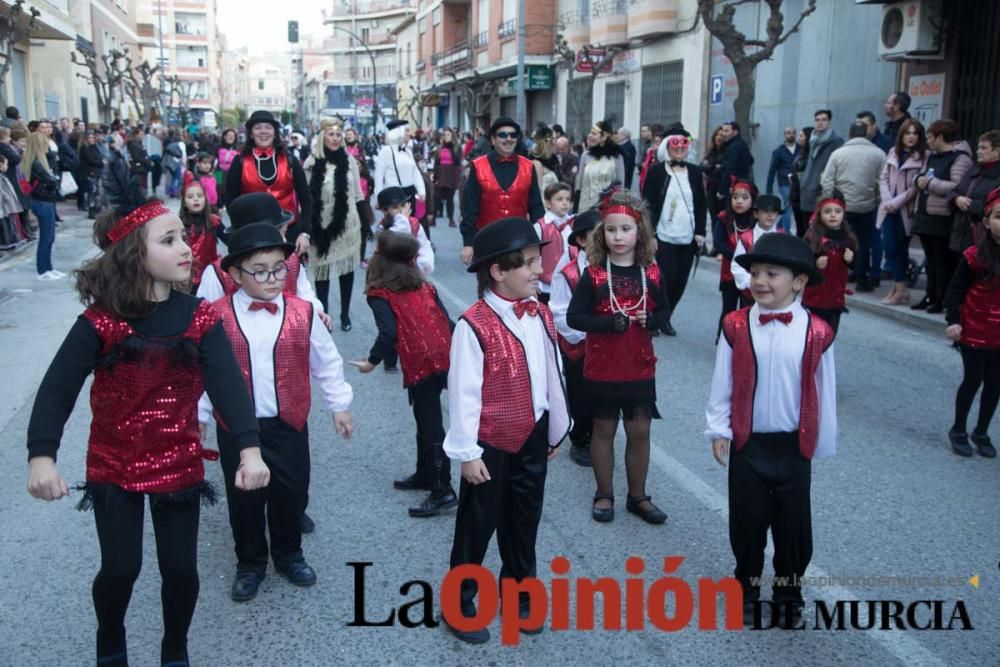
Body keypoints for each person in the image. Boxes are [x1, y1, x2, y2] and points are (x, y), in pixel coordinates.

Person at [26, 163, 268, 665]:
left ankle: (174, 649)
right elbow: (56, 390)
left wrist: (248, 450)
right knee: (121, 569)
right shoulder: (101, 322)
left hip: (177, 463)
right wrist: (41, 457)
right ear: (137, 254)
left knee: (181, 571)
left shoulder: (199, 318)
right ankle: (110, 640)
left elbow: (228, 386)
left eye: (184, 236)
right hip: (114, 464)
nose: (185, 248)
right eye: (169, 239)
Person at [198, 221, 353, 603]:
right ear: (234, 274)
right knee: (245, 499)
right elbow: (205, 373)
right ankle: (250, 562)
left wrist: (340, 405)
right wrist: (199, 416)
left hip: (289, 421)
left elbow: (326, 360)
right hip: (236, 427)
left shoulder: (302, 312)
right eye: (260, 271)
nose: (272, 278)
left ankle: (289, 553)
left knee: (290, 491)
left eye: (279, 268)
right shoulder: (214, 315)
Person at [443, 217, 569, 644]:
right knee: (478, 522)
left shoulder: (540, 312)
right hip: (489, 443)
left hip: (531, 434)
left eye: (539, 261)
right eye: (530, 263)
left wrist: (553, 428)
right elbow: (462, 393)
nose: (540, 270)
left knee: (524, 519)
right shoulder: (473, 324)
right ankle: (459, 599)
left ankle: (520, 591)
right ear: (498, 270)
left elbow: (551, 372)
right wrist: (467, 452)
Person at [706, 231, 836, 628]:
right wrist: (719, 428)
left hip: (794, 444)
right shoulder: (735, 325)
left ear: (798, 281)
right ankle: (745, 585)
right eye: (756, 272)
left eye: (771, 273)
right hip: (749, 441)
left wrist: (821, 440)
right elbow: (722, 380)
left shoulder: (817, 330)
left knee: (793, 525)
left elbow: (823, 387)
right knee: (747, 521)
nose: (760, 281)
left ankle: (788, 591)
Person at [567, 190, 669, 526]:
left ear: (639, 232)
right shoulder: (595, 274)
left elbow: (664, 312)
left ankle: (638, 495)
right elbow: (574, 317)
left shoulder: (651, 272)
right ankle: (604, 492)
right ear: (602, 234)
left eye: (625, 229)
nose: (618, 236)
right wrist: (606, 323)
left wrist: (652, 320)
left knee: (640, 430)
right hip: (602, 367)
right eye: (611, 230)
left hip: (639, 365)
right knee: (604, 429)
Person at [351, 231, 457, 516]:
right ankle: (425, 473)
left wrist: (371, 362)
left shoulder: (380, 293)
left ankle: (443, 488)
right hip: (443, 354)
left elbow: (388, 333)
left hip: (421, 361)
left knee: (431, 422)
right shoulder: (425, 286)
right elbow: (447, 322)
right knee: (424, 416)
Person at [944, 187, 1000, 459]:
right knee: (973, 379)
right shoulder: (974, 256)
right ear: (987, 221)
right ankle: (958, 429)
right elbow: (955, 291)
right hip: (974, 329)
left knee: (995, 383)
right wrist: (953, 321)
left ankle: (981, 432)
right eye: (999, 216)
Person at [642, 123, 707, 335]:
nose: (679, 148)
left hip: (687, 237)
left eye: (683, 144)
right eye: (674, 144)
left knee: (680, 282)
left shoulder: (696, 173)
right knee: (664, 279)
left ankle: (666, 317)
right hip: (663, 236)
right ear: (667, 147)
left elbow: (701, 204)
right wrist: (649, 234)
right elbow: (648, 204)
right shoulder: (656, 172)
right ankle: (654, 316)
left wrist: (700, 232)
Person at [550, 209, 600, 467]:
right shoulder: (569, 273)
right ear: (581, 240)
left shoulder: (615, 267)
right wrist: (588, 332)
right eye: (597, 235)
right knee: (580, 393)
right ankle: (580, 437)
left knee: (603, 394)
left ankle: (600, 435)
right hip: (579, 345)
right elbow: (560, 313)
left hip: (606, 344)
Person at [224, 110, 312, 255]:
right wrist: (240, 232)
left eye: (268, 127)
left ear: (275, 132)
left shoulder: (290, 160)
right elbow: (230, 201)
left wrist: (304, 234)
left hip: (289, 234)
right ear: (251, 133)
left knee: (290, 276)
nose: (263, 131)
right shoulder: (239, 161)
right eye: (258, 127)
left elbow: (306, 199)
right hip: (252, 236)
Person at [459, 117, 545, 265]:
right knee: (488, 283)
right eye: (503, 135)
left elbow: (536, 206)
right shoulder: (478, 166)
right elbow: (470, 207)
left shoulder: (528, 166)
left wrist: (539, 239)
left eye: (513, 135)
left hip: (519, 239)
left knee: (516, 284)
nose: (508, 139)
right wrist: (468, 243)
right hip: (486, 238)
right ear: (493, 139)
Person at [309, 117, 365, 332]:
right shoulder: (311, 162)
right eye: (331, 134)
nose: (335, 138)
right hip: (321, 222)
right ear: (323, 136)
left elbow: (359, 194)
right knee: (322, 270)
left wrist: (366, 223)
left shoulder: (350, 161)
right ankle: (325, 314)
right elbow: (306, 197)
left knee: (346, 269)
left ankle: (345, 313)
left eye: (338, 134)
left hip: (348, 222)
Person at [911, 120, 973, 312]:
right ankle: (930, 295)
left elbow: (957, 186)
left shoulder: (960, 158)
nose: (928, 141)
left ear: (940, 137)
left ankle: (941, 298)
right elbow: (922, 176)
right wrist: (918, 180)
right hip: (925, 213)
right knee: (930, 261)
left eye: (930, 137)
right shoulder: (932, 156)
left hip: (942, 216)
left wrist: (930, 183)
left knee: (941, 261)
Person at [819, 120, 886, 292]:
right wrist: (877, 199)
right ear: (867, 134)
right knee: (863, 242)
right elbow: (883, 181)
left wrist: (829, 203)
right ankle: (862, 278)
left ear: (849, 134)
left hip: (843, 205)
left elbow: (827, 180)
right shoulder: (878, 154)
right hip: (867, 205)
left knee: (841, 240)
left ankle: (842, 274)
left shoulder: (838, 153)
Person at [877, 118, 928, 306]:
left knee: (900, 248)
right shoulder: (893, 152)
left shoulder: (924, 156)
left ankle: (899, 289)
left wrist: (896, 202)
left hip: (907, 209)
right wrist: (887, 199)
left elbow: (917, 186)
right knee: (889, 248)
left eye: (915, 133)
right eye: (907, 133)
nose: (911, 137)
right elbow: (883, 178)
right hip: (889, 207)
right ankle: (900, 287)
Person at [803, 191, 858, 335]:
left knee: (830, 335)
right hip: (814, 298)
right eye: (827, 212)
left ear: (843, 214)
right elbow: (802, 263)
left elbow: (856, 266)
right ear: (820, 214)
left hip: (835, 298)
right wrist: (815, 264)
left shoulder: (848, 238)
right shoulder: (813, 236)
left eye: (837, 211)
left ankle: (825, 357)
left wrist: (851, 260)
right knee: (812, 335)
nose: (833, 215)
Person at [714, 178, 757, 337]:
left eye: (744, 198)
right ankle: (723, 338)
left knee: (748, 308)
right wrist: (737, 257)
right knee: (728, 308)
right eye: (735, 197)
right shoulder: (725, 217)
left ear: (752, 200)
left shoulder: (755, 221)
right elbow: (718, 242)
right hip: (729, 272)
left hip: (751, 272)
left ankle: (743, 341)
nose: (739, 201)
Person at [948, 130, 1000, 254]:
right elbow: (954, 191)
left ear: (997, 151)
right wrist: (956, 199)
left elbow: (994, 208)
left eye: (983, 148)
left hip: (984, 240)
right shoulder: (973, 170)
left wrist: (970, 206)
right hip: (959, 236)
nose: (978, 151)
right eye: (978, 148)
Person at [23, 132, 63, 280]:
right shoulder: (37, 163)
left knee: (49, 237)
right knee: (47, 237)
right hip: (43, 201)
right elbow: (51, 181)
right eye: (45, 143)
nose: (47, 145)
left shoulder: (38, 160)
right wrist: (54, 181)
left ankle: (48, 268)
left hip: (43, 200)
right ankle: (43, 270)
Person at [732, 194, 784, 296]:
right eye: (765, 211)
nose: (770, 215)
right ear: (756, 214)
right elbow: (736, 265)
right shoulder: (746, 238)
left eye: (773, 212)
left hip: (775, 293)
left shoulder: (783, 237)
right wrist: (751, 282)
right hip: (751, 292)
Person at [377, 185, 433, 274]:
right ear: (384, 211)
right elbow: (393, 239)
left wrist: (425, 261)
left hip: (412, 271)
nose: (400, 210)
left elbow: (424, 244)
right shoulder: (382, 227)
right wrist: (402, 220)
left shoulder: (414, 223)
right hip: (389, 272)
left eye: (402, 205)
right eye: (395, 207)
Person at [799, 110, 844, 220]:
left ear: (829, 122)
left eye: (824, 120)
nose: (820, 122)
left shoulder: (836, 141)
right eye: (818, 120)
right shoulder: (813, 139)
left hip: (822, 189)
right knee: (806, 225)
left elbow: (838, 166)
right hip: (807, 187)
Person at [533, 182, 574, 304]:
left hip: (569, 284)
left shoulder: (572, 224)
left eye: (568, 199)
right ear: (548, 203)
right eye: (559, 199)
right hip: (546, 286)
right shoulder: (540, 226)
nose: (565, 203)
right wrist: (534, 282)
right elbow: (535, 257)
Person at [179, 177, 223, 289]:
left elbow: (230, 239)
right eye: (190, 197)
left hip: (210, 275)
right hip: (187, 275)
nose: (195, 199)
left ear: (205, 199)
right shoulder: (179, 224)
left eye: (199, 196)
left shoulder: (213, 221)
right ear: (184, 202)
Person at [374, 119, 425, 212]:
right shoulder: (386, 151)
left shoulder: (408, 151)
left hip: (410, 193)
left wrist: (421, 191)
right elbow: (379, 177)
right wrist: (378, 198)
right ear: (398, 132)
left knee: (410, 223)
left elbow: (415, 173)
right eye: (406, 130)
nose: (409, 133)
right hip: (393, 196)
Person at [576, 120, 625, 211]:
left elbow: (620, 186)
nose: (589, 136)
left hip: (608, 208)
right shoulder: (586, 155)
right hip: (585, 207)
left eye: (594, 133)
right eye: (590, 133)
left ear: (604, 137)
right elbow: (579, 184)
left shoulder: (617, 157)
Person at [766, 127, 798, 233]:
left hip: (798, 183)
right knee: (788, 205)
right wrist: (769, 189)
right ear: (785, 135)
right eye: (788, 133)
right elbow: (772, 170)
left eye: (793, 133)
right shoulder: (779, 151)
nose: (791, 135)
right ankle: (786, 232)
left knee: (792, 206)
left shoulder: (801, 149)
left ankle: (780, 226)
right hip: (784, 183)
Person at [717, 121, 755, 204]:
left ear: (735, 132)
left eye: (726, 131)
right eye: (723, 131)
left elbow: (730, 168)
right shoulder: (741, 143)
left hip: (734, 184)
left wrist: (721, 190)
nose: (723, 133)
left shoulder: (734, 146)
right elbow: (751, 160)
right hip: (742, 182)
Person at [433, 127, 462, 227]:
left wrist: (451, 147)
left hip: (451, 175)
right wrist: (435, 177)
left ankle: (451, 220)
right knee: (437, 197)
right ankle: (433, 218)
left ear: (452, 136)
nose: (446, 137)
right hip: (441, 174)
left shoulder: (457, 147)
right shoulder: (440, 148)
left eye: (448, 135)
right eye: (445, 135)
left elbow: (457, 161)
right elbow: (436, 162)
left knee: (450, 199)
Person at [789, 126, 813, 238]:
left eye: (801, 135)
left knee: (804, 228)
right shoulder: (801, 152)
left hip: (803, 196)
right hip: (796, 194)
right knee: (799, 226)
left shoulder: (811, 155)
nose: (799, 138)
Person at [702, 127, 726, 221]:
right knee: (713, 216)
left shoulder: (726, 152)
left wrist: (709, 167)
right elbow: (701, 167)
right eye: (717, 135)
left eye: (721, 135)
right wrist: (713, 166)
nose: (719, 137)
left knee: (721, 217)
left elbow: (723, 169)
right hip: (710, 187)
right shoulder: (711, 152)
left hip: (721, 187)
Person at [530, 123, 561, 197]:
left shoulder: (552, 162)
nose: (557, 144)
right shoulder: (537, 164)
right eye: (555, 140)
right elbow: (537, 192)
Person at [217, 128, 239, 194]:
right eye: (229, 135)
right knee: (219, 190)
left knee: (231, 191)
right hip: (219, 172)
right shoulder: (218, 147)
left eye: (233, 136)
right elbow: (213, 160)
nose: (231, 137)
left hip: (232, 173)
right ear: (224, 137)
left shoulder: (238, 149)